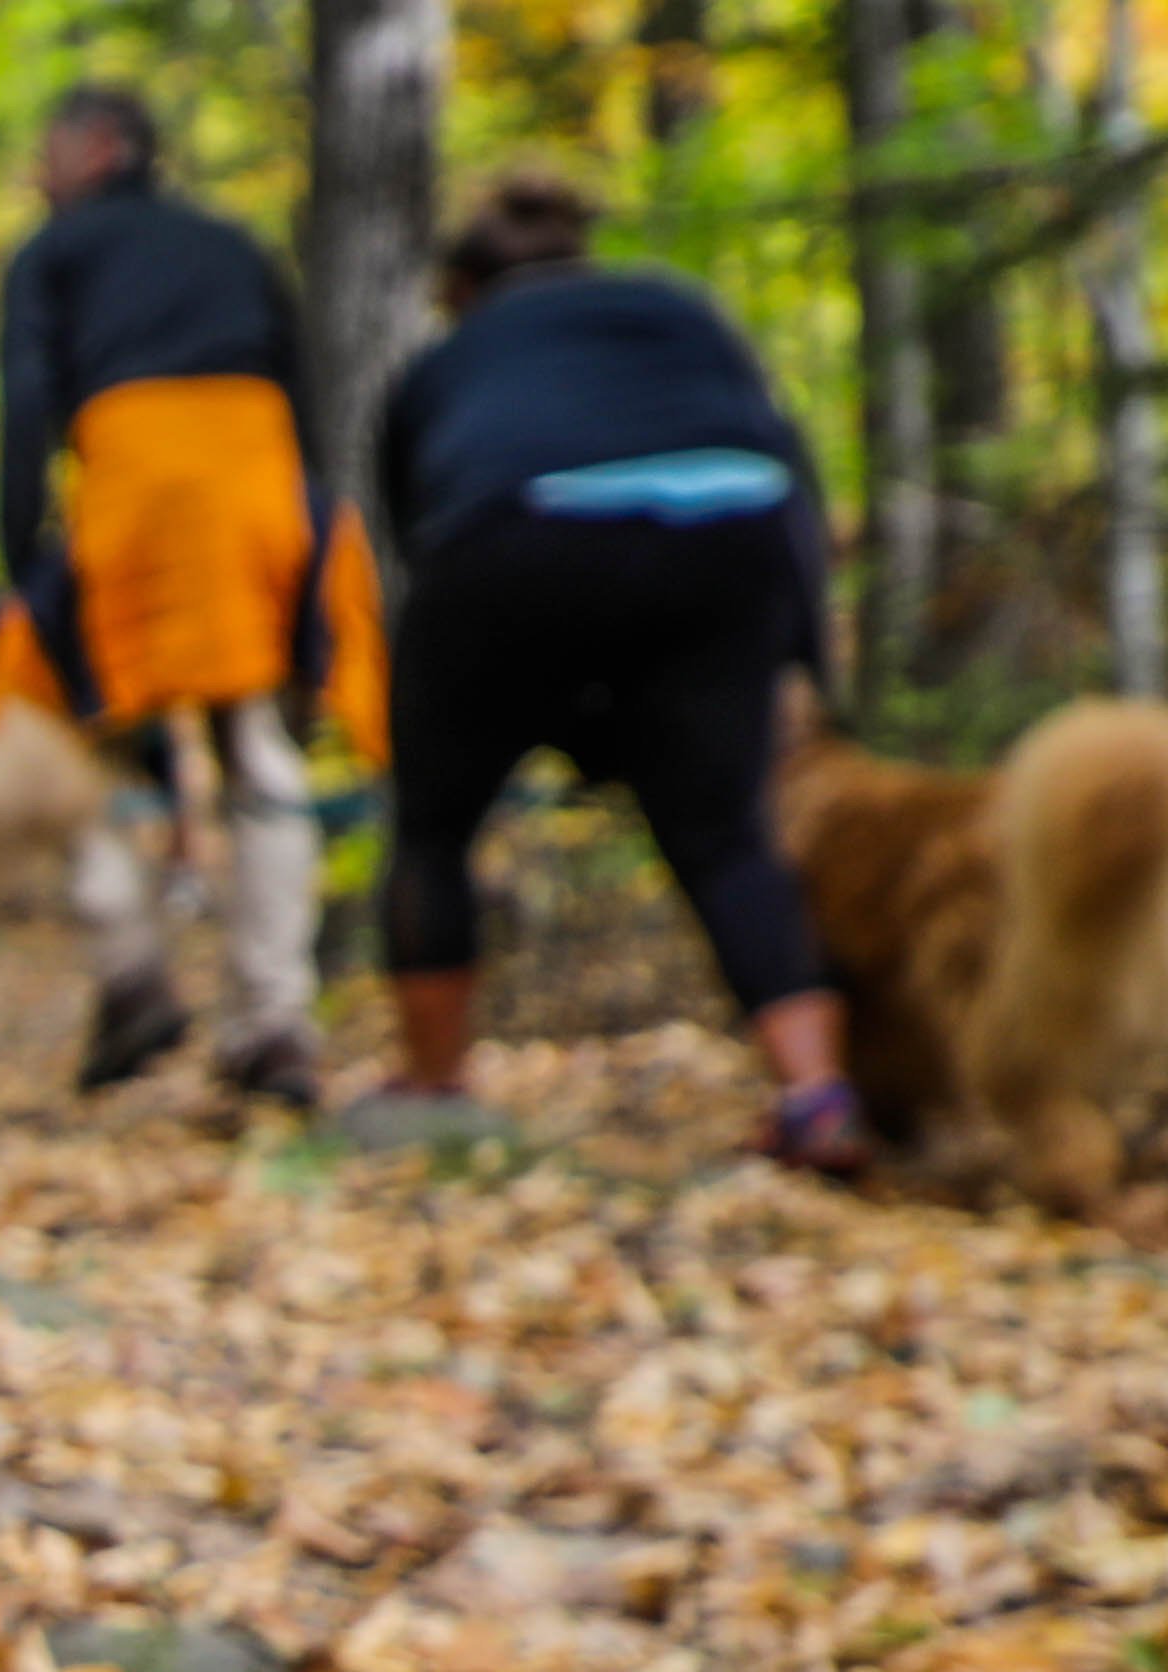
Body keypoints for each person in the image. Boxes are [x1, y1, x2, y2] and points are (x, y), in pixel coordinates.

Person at [355, 169, 868, 1174]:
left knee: (431, 824)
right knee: (724, 835)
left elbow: (413, 529)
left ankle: (434, 1085)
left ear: (461, 287)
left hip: (513, 533)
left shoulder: (446, 359)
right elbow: (787, 463)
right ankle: (815, 1095)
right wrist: (804, 652)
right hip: (730, 529)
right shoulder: (675, 309)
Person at [0, 86, 332, 1107]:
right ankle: (276, 1020)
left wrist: (21, 549)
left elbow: (22, 405)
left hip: (134, 492)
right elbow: (305, 397)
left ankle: (132, 968)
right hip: (259, 490)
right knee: (256, 742)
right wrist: (308, 545)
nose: (38, 171)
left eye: (48, 149)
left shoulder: (50, 256)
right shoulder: (231, 244)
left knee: (56, 740)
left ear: (101, 148)